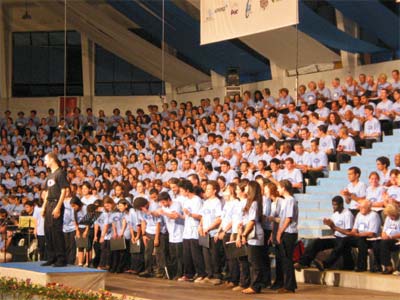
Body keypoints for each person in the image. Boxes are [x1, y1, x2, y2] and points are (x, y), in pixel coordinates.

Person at [295, 196, 354, 271]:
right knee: (317, 242)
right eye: (333, 205)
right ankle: (303, 262)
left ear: (341, 205)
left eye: (335, 205)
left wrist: (334, 227)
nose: (334, 207)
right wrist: (329, 225)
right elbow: (334, 230)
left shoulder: (347, 214)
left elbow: (348, 232)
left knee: (340, 245)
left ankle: (325, 264)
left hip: (345, 238)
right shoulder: (334, 215)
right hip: (335, 237)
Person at [41, 152, 69, 267]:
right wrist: (43, 207)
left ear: (52, 160)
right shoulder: (49, 175)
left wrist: (58, 207)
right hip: (48, 204)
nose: (45, 162)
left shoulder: (60, 173)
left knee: (56, 232)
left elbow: (64, 191)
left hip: (56, 203)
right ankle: (51, 257)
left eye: (46, 160)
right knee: (48, 231)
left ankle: (61, 258)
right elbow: (46, 193)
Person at [237, 181, 265, 295]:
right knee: (251, 260)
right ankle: (252, 284)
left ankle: (256, 286)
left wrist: (244, 234)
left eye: (248, 187)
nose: (246, 189)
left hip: (254, 234)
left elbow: (252, 221)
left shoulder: (254, 203)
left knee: (255, 262)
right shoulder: (249, 202)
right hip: (248, 233)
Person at [276, 180, 298, 293]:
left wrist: (280, 232)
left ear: (284, 188)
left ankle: (289, 286)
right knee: (285, 259)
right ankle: (288, 284)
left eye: (279, 187)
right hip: (286, 231)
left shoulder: (290, 200)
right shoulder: (285, 201)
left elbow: (288, 218)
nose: (277, 190)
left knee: (287, 259)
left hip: (289, 232)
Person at [376, 204, 400, 274]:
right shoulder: (388, 218)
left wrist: (391, 237)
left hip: (397, 239)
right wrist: (384, 236)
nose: (391, 218)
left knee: (384, 243)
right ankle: (386, 266)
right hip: (389, 240)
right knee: (378, 244)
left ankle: (391, 268)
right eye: (390, 216)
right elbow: (384, 231)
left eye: (393, 216)